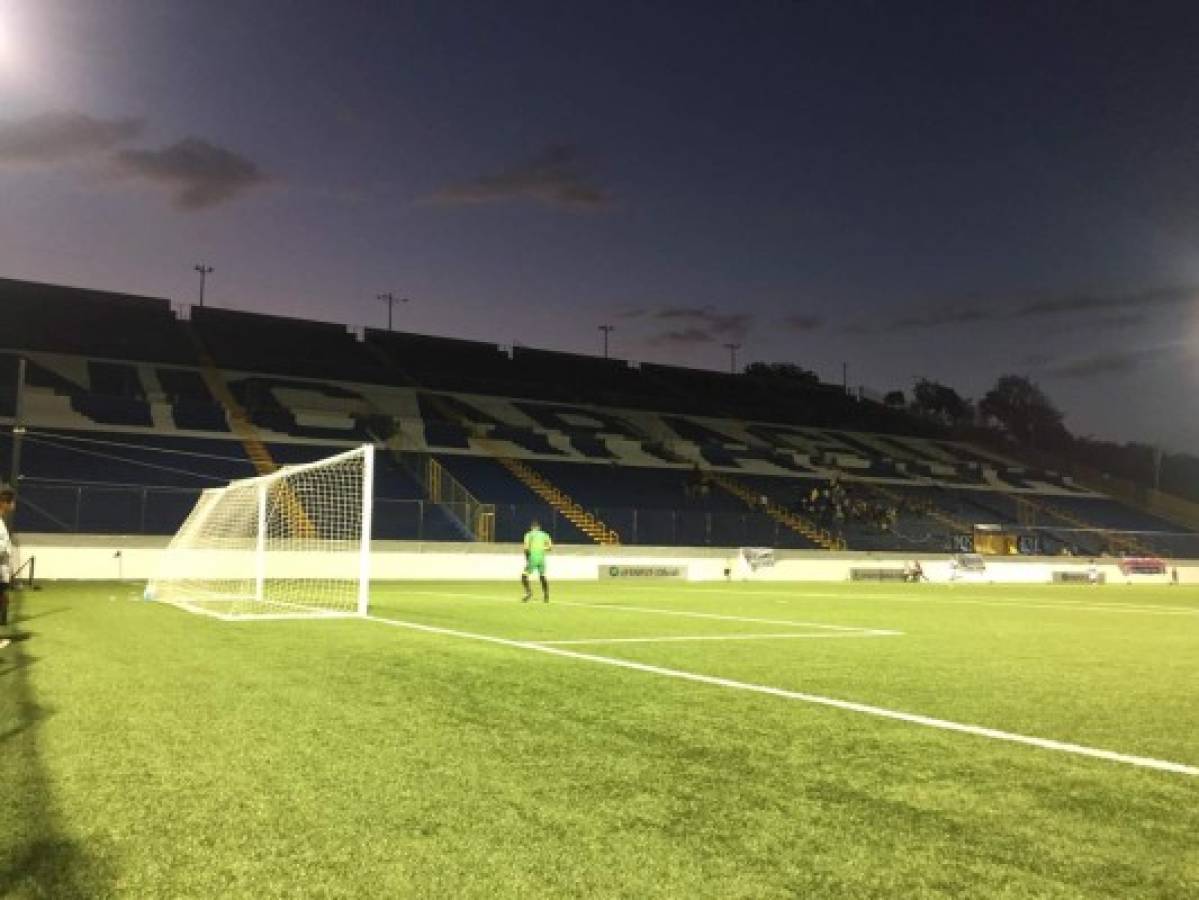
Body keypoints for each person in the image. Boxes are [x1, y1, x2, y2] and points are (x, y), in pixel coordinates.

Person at [521, 519, 553, 603]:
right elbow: (550, 547)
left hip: (533, 557)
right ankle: (546, 595)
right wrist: (542, 549)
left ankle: (529, 592)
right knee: (542, 576)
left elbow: (526, 547)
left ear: (531, 527)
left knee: (524, 575)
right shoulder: (545, 534)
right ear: (539, 527)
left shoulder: (528, 534)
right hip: (542, 558)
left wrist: (528, 557)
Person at [0, 485, 16, 650]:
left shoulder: (1, 521)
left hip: (2, 569)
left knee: (3, 600)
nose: (14, 505)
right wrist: (4, 548)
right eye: (12, 502)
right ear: (4, 503)